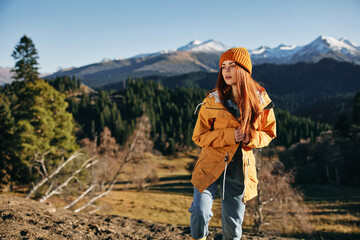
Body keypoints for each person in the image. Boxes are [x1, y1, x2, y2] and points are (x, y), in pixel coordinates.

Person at [189, 47, 276, 240]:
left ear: (244, 70)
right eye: (223, 67)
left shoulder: (260, 101)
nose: (226, 71)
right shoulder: (212, 100)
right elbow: (199, 136)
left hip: (240, 169)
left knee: (233, 229)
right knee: (200, 212)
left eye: (232, 66)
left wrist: (250, 137)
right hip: (210, 164)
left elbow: (269, 133)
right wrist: (230, 135)